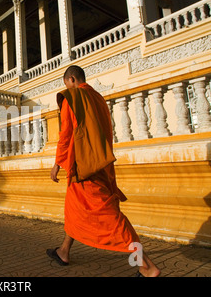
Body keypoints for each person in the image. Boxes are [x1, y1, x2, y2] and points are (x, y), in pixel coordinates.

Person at [48, 65, 160, 277]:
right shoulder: (97, 97)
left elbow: (66, 134)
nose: (68, 87)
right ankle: (64, 251)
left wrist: (58, 163)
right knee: (74, 209)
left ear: (71, 80)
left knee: (110, 218)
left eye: (67, 84)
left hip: (85, 169)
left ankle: (146, 265)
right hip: (100, 165)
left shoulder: (73, 97)